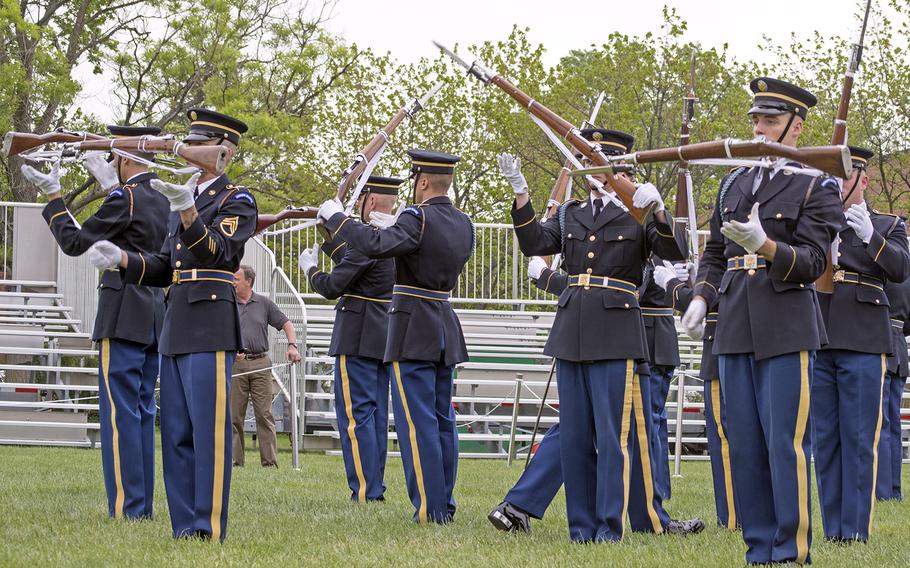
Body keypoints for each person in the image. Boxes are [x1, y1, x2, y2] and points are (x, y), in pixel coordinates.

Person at [503, 127, 701, 543]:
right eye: (590, 164)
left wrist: (659, 211)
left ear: (617, 168)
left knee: (612, 438)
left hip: (617, 330)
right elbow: (535, 242)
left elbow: (674, 251)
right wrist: (522, 195)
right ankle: (582, 529)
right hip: (572, 327)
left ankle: (609, 528)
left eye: (602, 165)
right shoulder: (571, 212)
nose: (594, 173)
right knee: (575, 436)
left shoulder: (636, 210)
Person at [681, 77, 843, 565]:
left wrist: (766, 246)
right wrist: (702, 298)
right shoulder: (735, 181)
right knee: (744, 446)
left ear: (796, 127)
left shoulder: (817, 183)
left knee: (783, 444)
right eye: (755, 118)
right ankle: (758, 548)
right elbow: (713, 252)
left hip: (784, 323)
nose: (759, 128)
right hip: (733, 325)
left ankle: (789, 550)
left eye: (770, 120)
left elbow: (815, 262)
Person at [87, 108, 257, 541]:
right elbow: (166, 265)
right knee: (176, 433)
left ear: (223, 153)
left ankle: (209, 526)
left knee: (207, 433)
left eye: (199, 144)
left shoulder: (237, 199)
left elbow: (217, 252)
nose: (189, 152)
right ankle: (184, 526)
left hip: (211, 322)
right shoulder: (182, 195)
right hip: (177, 322)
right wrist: (124, 260)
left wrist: (187, 214)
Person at [316, 150, 473, 525]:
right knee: (442, 421)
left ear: (421, 182)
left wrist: (337, 219)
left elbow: (373, 246)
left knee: (416, 424)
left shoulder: (416, 217)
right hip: (443, 324)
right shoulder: (464, 223)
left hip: (411, 326)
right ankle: (444, 504)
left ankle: (429, 509)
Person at [24, 124, 170, 520]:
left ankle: (128, 508)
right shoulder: (164, 197)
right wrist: (113, 190)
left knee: (120, 416)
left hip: (123, 312)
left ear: (123, 158)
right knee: (140, 413)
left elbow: (75, 242)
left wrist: (54, 196)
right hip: (155, 314)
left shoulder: (127, 197)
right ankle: (142, 507)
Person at [810, 146, 910, 541]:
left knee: (859, 437)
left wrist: (870, 237)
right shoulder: (816, 223)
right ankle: (834, 528)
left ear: (863, 180)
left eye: (845, 177)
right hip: (821, 333)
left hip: (865, 338)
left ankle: (855, 529)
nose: (838, 185)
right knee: (826, 438)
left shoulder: (888, 224)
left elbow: (901, 269)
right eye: (832, 178)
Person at [299, 176, 400, 502]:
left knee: (356, 418)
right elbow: (354, 261)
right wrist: (328, 235)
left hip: (357, 335)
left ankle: (366, 490)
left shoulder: (369, 240)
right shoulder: (395, 237)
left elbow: (332, 286)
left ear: (370, 202)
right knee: (375, 417)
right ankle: (374, 486)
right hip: (383, 336)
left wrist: (310, 269)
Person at [655, 263, 739, 530]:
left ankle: (734, 516)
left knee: (725, 439)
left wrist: (673, 286)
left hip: (723, 342)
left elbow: (715, 298)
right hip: (726, 340)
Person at [230, 264, 301, 468]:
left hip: (261, 363)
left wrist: (292, 345)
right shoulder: (228, 303)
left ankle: (269, 463)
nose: (232, 282)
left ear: (248, 282)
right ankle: (236, 463)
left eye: (236, 279)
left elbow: (287, 324)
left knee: (264, 415)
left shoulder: (264, 303)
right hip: (237, 365)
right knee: (234, 416)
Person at [879, 273, 910, 500]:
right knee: (893, 425)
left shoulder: (880, 267)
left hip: (878, 342)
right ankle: (893, 489)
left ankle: (882, 491)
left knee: (880, 424)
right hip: (898, 346)